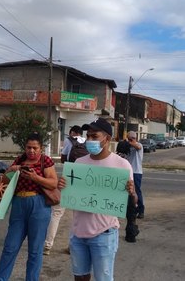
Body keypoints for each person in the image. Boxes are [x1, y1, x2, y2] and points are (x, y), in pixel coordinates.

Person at [58, 118, 137, 281]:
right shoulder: (79, 164)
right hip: (78, 233)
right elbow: (70, 194)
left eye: (94, 136)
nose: (90, 140)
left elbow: (133, 200)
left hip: (104, 234)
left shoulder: (121, 165)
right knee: (79, 277)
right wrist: (63, 185)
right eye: (88, 136)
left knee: (103, 279)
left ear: (107, 139)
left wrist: (131, 193)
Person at [0, 133, 58, 281]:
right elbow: (4, 180)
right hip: (19, 204)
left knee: (35, 250)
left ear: (41, 148)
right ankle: (1, 278)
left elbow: (53, 183)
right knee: (10, 247)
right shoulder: (20, 159)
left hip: (39, 204)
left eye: (35, 148)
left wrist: (35, 177)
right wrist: (12, 169)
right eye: (28, 147)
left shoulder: (45, 161)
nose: (31, 151)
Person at [44, 125, 85, 256]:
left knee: (56, 214)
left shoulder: (69, 141)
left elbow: (63, 158)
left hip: (68, 178)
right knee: (77, 216)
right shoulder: (87, 142)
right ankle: (72, 246)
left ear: (73, 132)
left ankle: (47, 245)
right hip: (82, 180)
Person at [127, 131, 144, 219]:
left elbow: (137, 147)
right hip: (129, 171)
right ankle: (132, 209)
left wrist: (130, 142)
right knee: (129, 191)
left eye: (129, 138)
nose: (128, 140)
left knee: (137, 191)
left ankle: (141, 210)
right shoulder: (129, 146)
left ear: (133, 138)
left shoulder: (139, 145)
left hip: (137, 171)